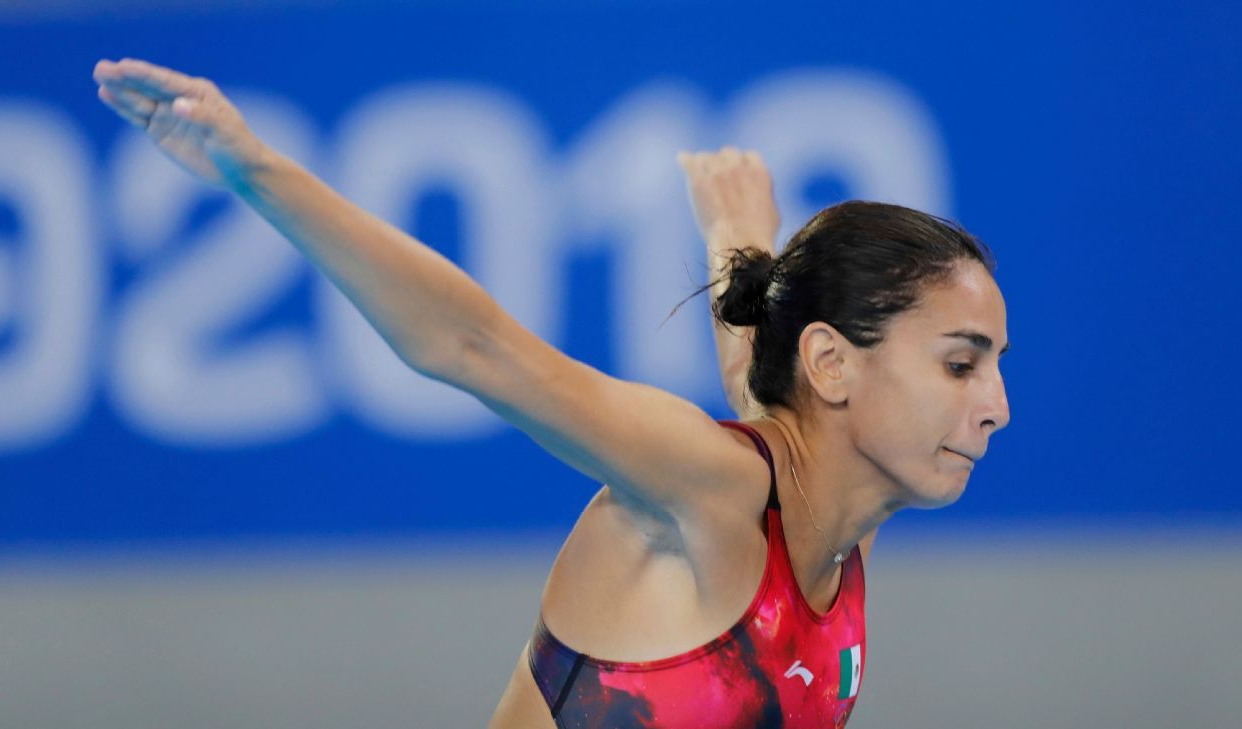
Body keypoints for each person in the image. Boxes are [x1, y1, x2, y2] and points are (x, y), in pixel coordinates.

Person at [94, 58, 1010, 729]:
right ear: (833, 364)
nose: (996, 405)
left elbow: (761, 372)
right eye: (960, 364)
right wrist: (255, 168)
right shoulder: (709, 488)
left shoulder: (837, 512)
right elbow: (474, 346)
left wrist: (738, 231)